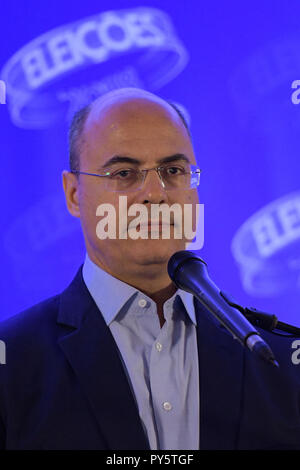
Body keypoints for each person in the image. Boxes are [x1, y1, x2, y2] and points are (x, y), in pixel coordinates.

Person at [0, 88, 300, 450]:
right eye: (124, 173)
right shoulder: (12, 362)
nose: (155, 194)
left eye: (173, 170)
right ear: (73, 194)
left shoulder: (277, 359)